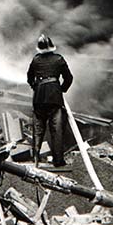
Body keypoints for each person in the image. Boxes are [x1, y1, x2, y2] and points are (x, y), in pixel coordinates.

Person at [27, 34, 73, 167]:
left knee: (38, 130)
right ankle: (58, 161)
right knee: (56, 131)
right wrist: (61, 89)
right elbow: (69, 78)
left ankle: (35, 161)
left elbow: (29, 78)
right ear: (52, 47)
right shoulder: (59, 59)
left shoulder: (36, 60)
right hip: (54, 99)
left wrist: (36, 87)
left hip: (39, 99)